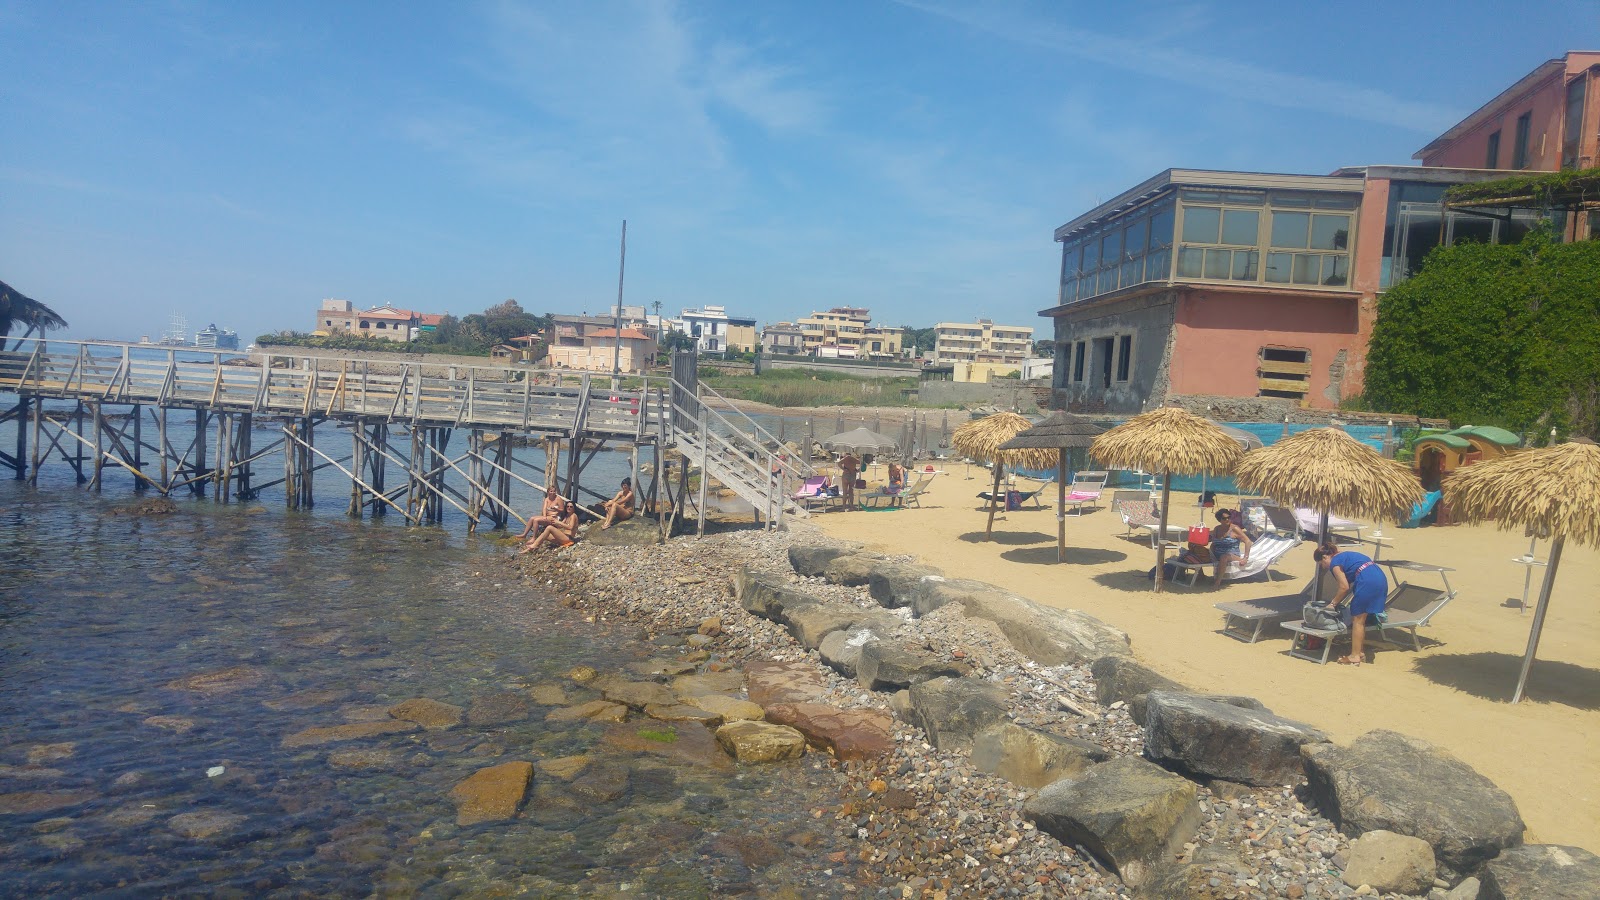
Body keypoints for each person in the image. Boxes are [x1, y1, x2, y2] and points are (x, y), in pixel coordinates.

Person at [1313, 541, 1388, 665]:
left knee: (1358, 621)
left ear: (1325, 557)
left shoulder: (1335, 563)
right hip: (1380, 578)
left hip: (1367, 581)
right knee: (1362, 618)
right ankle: (1360, 652)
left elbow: (1344, 587)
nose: (1324, 567)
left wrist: (1332, 604)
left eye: (1322, 563)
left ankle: (1354, 656)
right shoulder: (1346, 555)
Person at [1208, 508, 1252, 587]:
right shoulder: (1217, 529)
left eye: (1229, 517)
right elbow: (1213, 544)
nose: (1227, 519)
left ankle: (1217, 582)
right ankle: (1199, 576)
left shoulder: (1235, 529)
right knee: (1198, 551)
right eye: (1224, 518)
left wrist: (1245, 557)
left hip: (1232, 555)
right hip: (1217, 554)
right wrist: (1211, 554)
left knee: (1224, 557)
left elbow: (1248, 541)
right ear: (1219, 520)